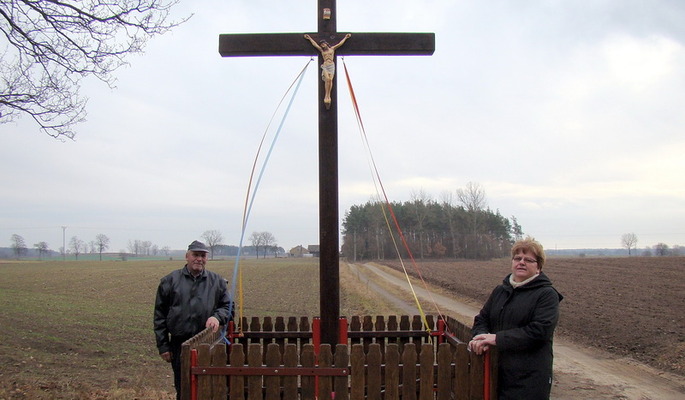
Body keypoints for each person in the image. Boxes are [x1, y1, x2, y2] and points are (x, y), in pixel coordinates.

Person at [469, 238, 563, 399]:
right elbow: (482, 319)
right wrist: (481, 337)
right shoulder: (500, 290)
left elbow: (540, 331)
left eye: (528, 260)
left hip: (528, 378)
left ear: (538, 267)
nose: (521, 262)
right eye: (517, 258)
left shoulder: (546, 294)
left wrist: (497, 338)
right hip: (497, 372)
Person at [154, 240, 233, 400]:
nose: (199, 259)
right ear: (187, 257)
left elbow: (229, 308)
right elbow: (159, 315)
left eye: (203, 255)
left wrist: (217, 317)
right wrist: (163, 346)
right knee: (184, 387)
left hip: (209, 344)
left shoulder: (217, 282)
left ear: (207, 258)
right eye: (195, 255)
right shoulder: (169, 281)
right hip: (180, 344)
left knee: (209, 387)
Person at [304, 33, 352, 108]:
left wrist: (346, 37)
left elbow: (340, 44)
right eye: (321, 45)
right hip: (325, 66)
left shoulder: (332, 49)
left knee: (330, 80)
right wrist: (309, 38)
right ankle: (326, 97)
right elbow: (315, 45)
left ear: (326, 44)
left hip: (331, 66)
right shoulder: (322, 51)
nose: (322, 45)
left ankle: (328, 95)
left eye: (323, 44)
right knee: (327, 79)